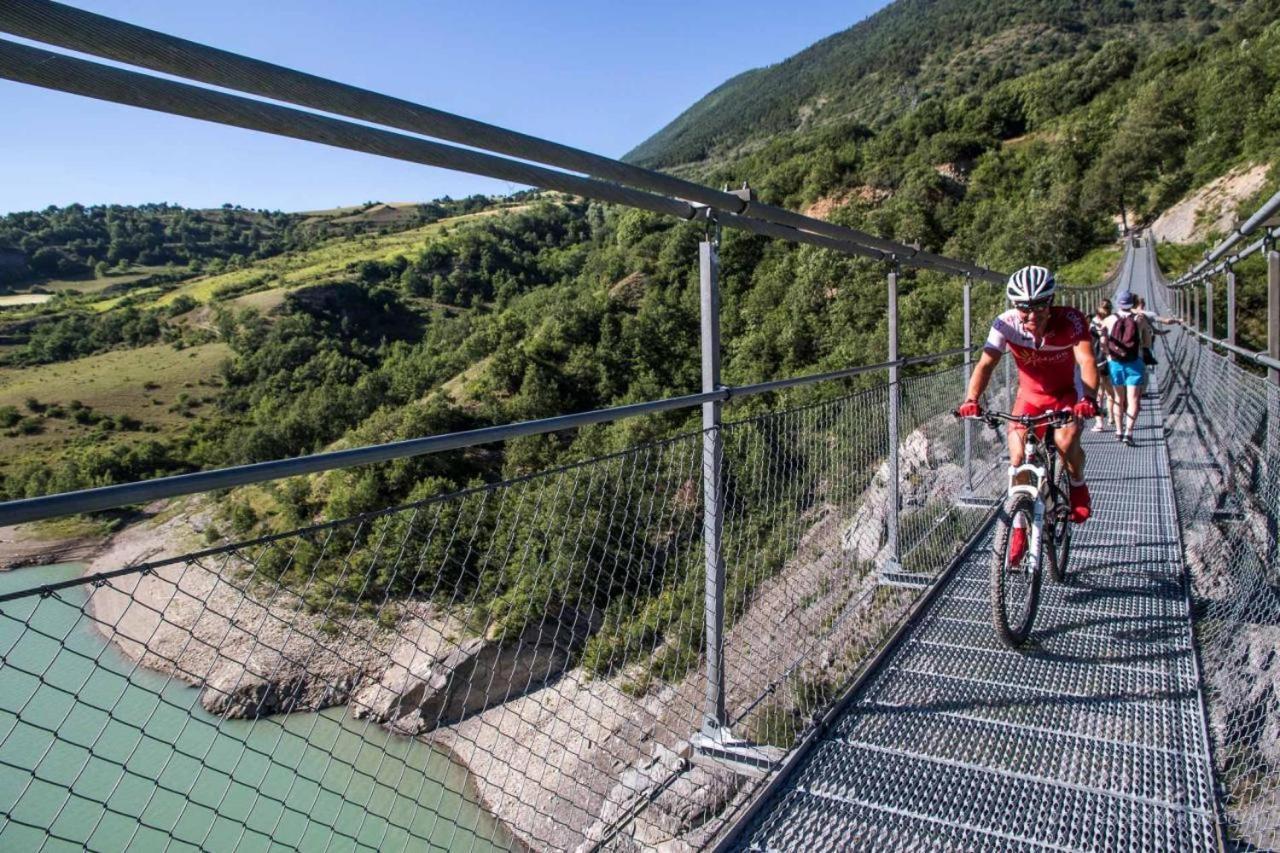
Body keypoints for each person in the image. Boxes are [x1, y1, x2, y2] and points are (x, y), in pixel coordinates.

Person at [958, 265, 1100, 564]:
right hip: (1030, 397)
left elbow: (1086, 361)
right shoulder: (1005, 324)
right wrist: (971, 399)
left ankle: (1076, 485)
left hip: (1066, 394)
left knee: (1065, 439)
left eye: (1039, 305)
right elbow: (986, 364)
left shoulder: (1072, 321)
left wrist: (1088, 398)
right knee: (1018, 458)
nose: (1032, 314)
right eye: (1024, 307)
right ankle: (1019, 527)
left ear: (1051, 302)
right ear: (1014, 306)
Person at [1099, 290, 1146, 446]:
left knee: (1119, 398)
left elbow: (1103, 342)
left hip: (1115, 363)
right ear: (1132, 303)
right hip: (1134, 363)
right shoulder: (1139, 319)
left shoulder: (1108, 320)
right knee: (1133, 400)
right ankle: (1129, 433)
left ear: (1118, 303)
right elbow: (1145, 342)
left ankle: (1118, 431)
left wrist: (1108, 356)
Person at [1089, 299, 1114, 432]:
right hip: (1109, 360)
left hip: (1095, 360)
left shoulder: (1091, 324)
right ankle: (1112, 417)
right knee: (1110, 392)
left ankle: (1099, 423)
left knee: (1098, 393)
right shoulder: (1113, 322)